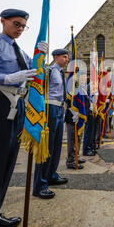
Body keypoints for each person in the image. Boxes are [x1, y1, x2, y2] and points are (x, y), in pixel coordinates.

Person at [0, 9, 43, 227]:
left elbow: (38, 74)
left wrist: (42, 58)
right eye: (16, 24)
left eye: (24, 26)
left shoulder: (23, 53)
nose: (20, 29)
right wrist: (6, 77)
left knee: (6, 165)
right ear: (2, 21)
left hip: (18, 106)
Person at [32, 49, 69, 199]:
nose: (67, 59)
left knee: (56, 145)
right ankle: (40, 184)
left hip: (60, 108)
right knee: (46, 147)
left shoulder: (61, 72)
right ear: (56, 57)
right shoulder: (48, 71)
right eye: (64, 57)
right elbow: (38, 89)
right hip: (49, 108)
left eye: (67, 57)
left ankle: (51, 175)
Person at [82, 83, 96, 156]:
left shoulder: (90, 96)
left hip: (91, 113)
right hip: (86, 113)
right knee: (87, 132)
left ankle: (90, 148)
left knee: (91, 132)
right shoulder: (83, 91)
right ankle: (86, 149)